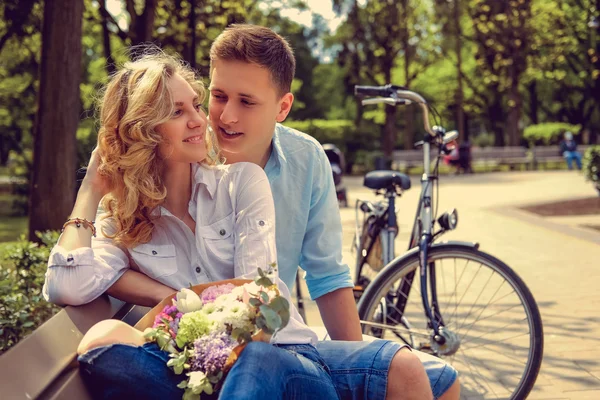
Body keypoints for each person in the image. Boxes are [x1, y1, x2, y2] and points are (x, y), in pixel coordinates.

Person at [43, 53, 433, 399]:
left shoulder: (242, 182)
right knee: (100, 343)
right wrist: (91, 191)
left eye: (196, 105)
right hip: (199, 371)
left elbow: (261, 309)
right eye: (178, 112)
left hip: (284, 360)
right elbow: (66, 284)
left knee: (263, 358)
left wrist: (178, 299)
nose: (200, 120)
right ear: (142, 131)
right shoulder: (121, 217)